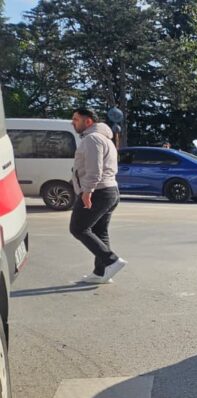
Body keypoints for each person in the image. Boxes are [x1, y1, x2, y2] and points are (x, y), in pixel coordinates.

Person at [69, 108, 126, 284]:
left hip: (98, 191)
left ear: (88, 121)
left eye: (76, 119)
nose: (72, 122)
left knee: (78, 228)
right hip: (109, 191)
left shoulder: (92, 139)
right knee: (100, 231)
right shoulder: (104, 138)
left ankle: (111, 260)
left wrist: (87, 192)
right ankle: (101, 272)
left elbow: (95, 169)